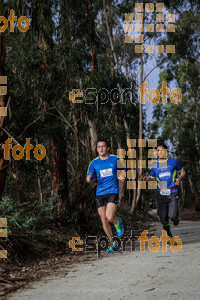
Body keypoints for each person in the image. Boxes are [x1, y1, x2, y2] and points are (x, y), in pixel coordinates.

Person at [86, 140, 125, 253]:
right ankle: (113, 242)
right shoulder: (94, 163)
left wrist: (121, 176)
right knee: (103, 220)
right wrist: (88, 178)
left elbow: (122, 170)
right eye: (99, 147)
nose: (101, 148)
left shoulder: (115, 159)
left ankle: (117, 222)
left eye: (103, 146)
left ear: (107, 148)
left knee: (109, 216)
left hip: (112, 191)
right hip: (100, 193)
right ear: (97, 149)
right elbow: (90, 175)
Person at [143, 142, 186, 242]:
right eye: (158, 150)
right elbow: (154, 179)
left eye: (162, 150)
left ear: (165, 151)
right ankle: (170, 236)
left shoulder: (173, 162)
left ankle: (176, 217)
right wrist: (149, 179)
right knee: (163, 219)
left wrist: (179, 178)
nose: (160, 152)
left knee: (172, 215)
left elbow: (183, 171)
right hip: (161, 193)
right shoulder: (154, 166)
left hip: (172, 191)